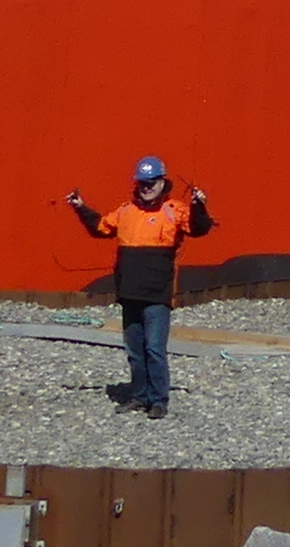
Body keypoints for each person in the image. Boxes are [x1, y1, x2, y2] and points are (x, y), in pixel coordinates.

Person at [65, 157, 215, 415]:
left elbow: (198, 228)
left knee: (154, 349)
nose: (146, 187)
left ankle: (158, 400)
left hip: (157, 294)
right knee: (135, 350)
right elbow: (100, 228)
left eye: (151, 182)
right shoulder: (125, 212)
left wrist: (199, 205)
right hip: (129, 293)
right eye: (142, 183)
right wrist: (80, 207)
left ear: (161, 183)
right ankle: (139, 396)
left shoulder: (173, 210)